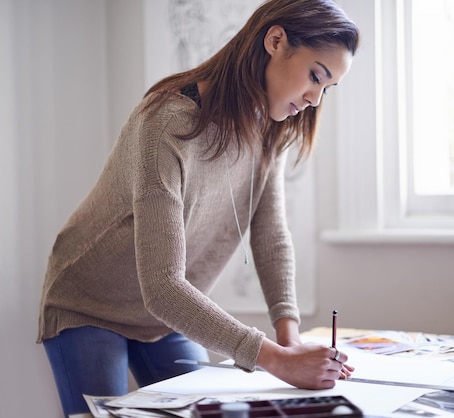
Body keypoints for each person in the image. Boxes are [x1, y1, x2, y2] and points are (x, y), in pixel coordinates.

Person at [36, 0, 359, 416]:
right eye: (316, 75)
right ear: (275, 41)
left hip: (163, 315)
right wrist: (278, 360)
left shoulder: (269, 129)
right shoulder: (167, 125)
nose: (315, 99)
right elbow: (164, 288)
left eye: (327, 88)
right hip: (89, 303)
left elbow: (271, 235)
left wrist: (289, 336)